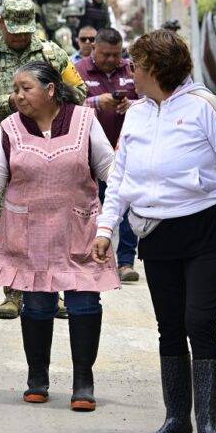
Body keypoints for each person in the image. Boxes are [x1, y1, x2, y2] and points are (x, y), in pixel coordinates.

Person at [92, 30, 216, 433]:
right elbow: (119, 179)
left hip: (204, 231)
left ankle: (208, 427)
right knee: (169, 326)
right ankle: (176, 419)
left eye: (135, 66)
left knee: (200, 321)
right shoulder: (137, 114)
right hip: (156, 233)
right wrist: (106, 229)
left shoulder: (204, 107)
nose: (130, 74)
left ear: (155, 69)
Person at [0, 61, 118, 411]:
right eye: (16, 89)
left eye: (26, 88)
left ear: (51, 89)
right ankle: (37, 378)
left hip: (78, 228)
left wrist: (116, 214)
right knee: (37, 305)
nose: (17, 95)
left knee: (84, 304)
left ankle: (83, 382)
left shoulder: (85, 121)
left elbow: (109, 169)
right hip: (30, 232)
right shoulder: (9, 128)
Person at [0, 0, 86, 319]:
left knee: (56, 221)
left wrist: (49, 101)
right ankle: (14, 294)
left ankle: (54, 291)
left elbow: (79, 92)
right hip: (7, 152)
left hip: (53, 152)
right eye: (12, 29)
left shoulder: (52, 54)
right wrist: (9, 102)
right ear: (0, 23)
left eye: (24, 29)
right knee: (11, 224)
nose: (18, 36)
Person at [77, 27, 140, 282]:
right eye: (106, 54)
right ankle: (95, 260)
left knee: (128, 208)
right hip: (90, 155)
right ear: (94, 49)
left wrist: (131, 105)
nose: (112, 60)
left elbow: (153, 101)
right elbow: (65, 106)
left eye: (116, 54)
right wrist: (96, 102)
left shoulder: (131, 70)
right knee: (93, 208)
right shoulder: (79, 71)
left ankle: (126, 262)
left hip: (127, 152)